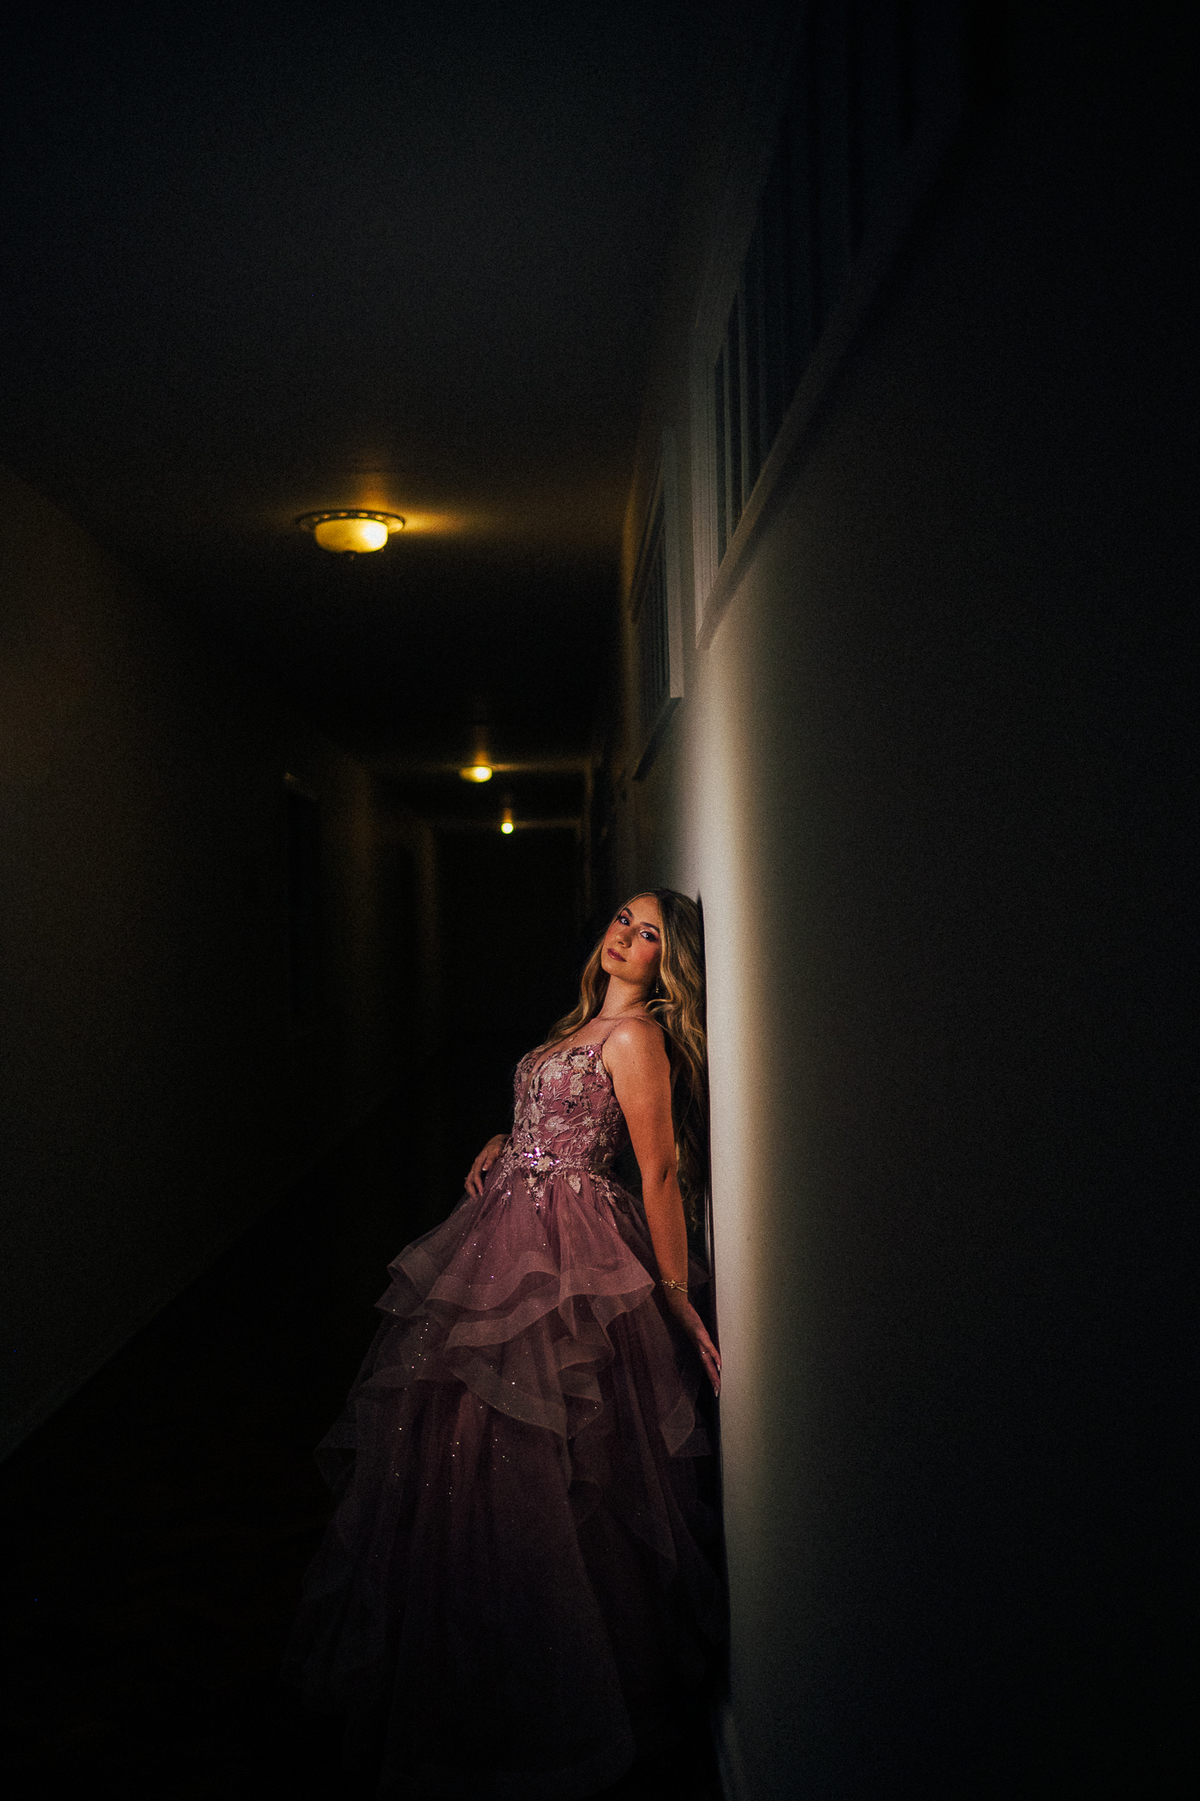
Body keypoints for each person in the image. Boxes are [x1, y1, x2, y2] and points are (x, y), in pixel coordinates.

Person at [283, 889, 725, 1798]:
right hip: (503, 1226)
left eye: (649, 934)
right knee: (463, 1435)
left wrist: (677, 1297)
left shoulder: (637, 1037)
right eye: (624, 919)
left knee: (556, 1450)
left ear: (667, 962)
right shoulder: (577, 1026)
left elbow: (656, 1171)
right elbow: (549, 1113)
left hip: (569, 1243)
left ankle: (561, 1690)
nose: (627, 937)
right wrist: (504, 1135)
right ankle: (473, 1678)